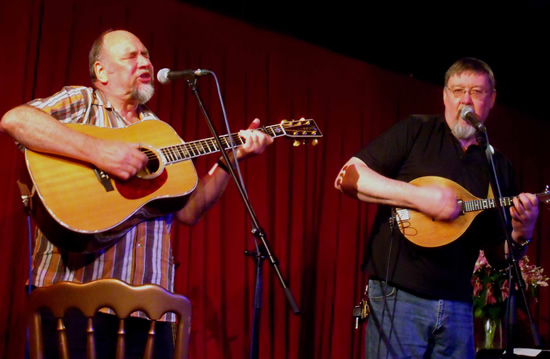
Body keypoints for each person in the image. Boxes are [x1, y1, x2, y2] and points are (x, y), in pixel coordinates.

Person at [0, 29, 273, 358]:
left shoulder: (159, 132)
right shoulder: (83, 102)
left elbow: (189, 211)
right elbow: (15, 120)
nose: (144, 61)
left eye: (146, 55)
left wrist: (231, 160)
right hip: (74, 304)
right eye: (131, 56)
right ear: (102, 71)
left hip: (149, 312)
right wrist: (99, 153)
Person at [334, 58, 539, 358]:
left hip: (458, 305)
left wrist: (522, 233)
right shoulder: (416, 131)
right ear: (445, 96)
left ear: (492, 99)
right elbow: (347, 177)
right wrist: (420, 198)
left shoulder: (499, 167)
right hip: (399, 297)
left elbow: (497, 256)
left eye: (477, 92)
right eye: (458, 90)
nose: (466, 99)